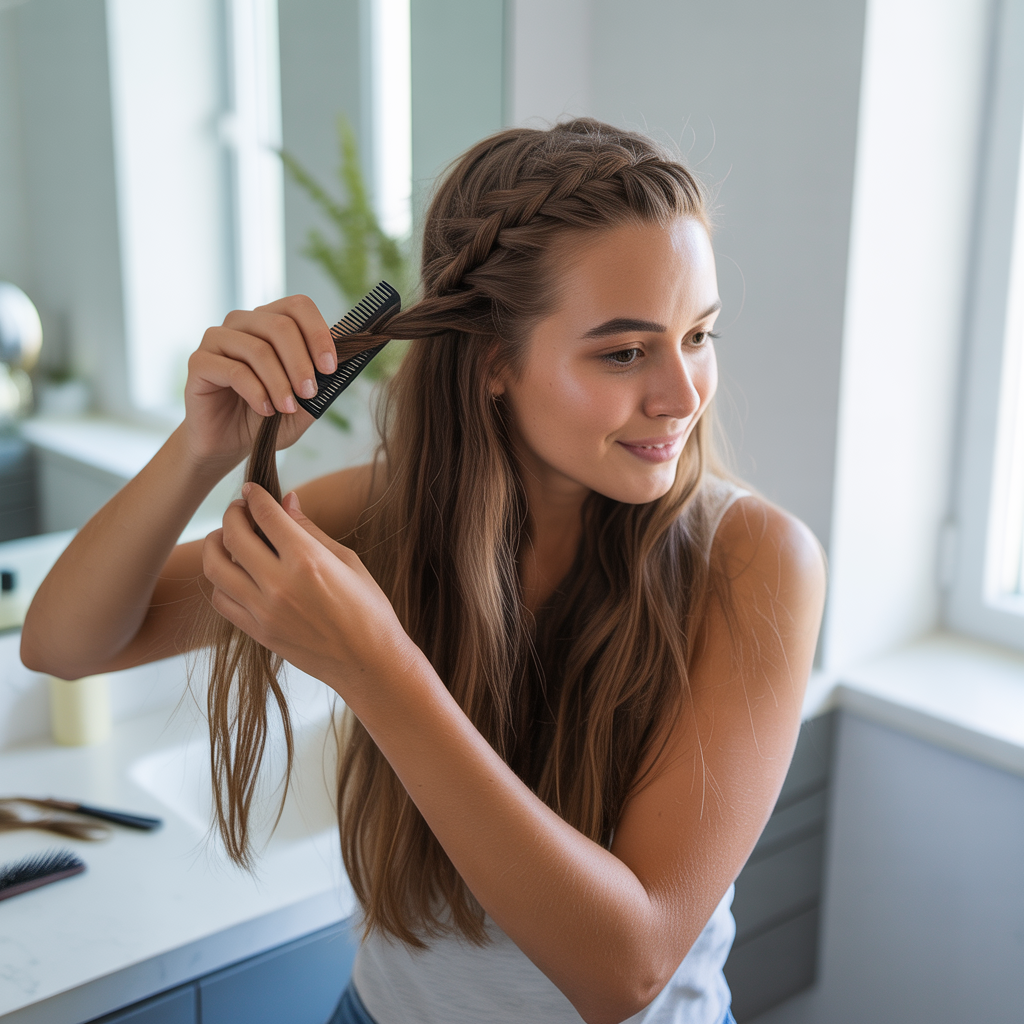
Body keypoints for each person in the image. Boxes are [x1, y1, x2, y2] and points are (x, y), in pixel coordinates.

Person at [21, 119, 825, 1024]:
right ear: (493, 363)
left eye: (700, 335)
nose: (683, 396)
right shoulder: (378, 522)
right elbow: (63, 642)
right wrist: (200, 448)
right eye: (626, 351)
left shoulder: (753, 566)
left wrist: (381, 668)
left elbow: (624, 971)